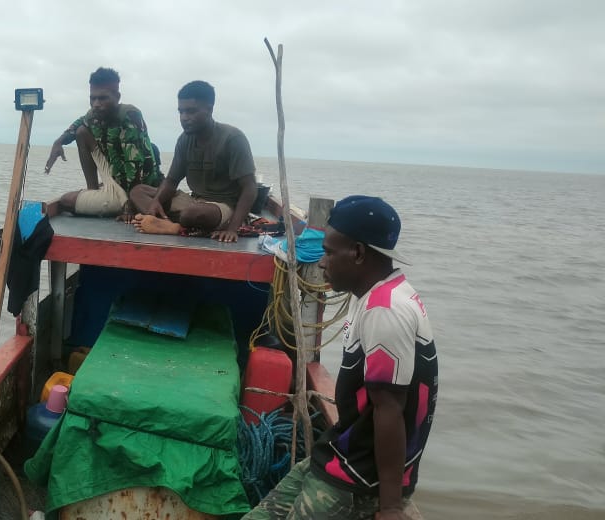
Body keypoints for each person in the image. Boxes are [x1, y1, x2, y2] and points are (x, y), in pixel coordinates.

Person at [244, 196, 437, 520]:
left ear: (359, 253)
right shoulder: (379, 295)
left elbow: (389, 408)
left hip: (357, 480)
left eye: (330, 252)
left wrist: (389, 507)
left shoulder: (385, 311)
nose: (321, 263)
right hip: (338, 453)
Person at [130, 80, 257, 242]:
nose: (184, 118)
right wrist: (155, 202)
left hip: (223, 206)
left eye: (191, 112)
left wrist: (233, 229)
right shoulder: (184, 140)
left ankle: (174, 226)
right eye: (181, 112)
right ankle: (162, 219)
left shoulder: (232, 138)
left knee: (193, 213)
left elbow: (250, 188)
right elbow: (171, 182)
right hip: (193, 200)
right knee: (138, 191)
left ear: (209, 110)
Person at [44, 67, 163, 218]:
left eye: (102, 98)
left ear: (117, 97)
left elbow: (135, 166)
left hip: (136, 192)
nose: (96, 104)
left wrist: (130, 207)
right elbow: (79, 123)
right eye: (92, 98)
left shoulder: (129, 116)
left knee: (66, 201)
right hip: (114, 180)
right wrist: (59, 141)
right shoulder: (94, 114)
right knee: (81, 131)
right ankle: (92, 190)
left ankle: (120, 203)